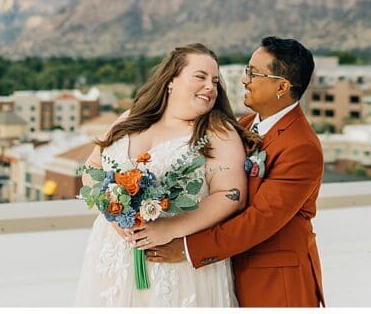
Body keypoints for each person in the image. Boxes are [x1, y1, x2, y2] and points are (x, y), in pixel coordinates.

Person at [139, 36, 326, 307]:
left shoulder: (301, 147)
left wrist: (187, 249)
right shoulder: (246, 124)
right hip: (231, 269)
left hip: (276, 283)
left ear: (282, 87)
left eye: (253, 73)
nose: (244, 80)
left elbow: (259, 219)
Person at [73, 43, 257, 307]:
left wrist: (169, 229)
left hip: (175, 264)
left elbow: (231, 195)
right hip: (112, 255)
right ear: (172, 80)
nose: (210, 87)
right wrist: (113, 212)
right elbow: (93, 167)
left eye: (215, 81)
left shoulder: (217, 131)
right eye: (200, 77)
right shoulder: (131, 117)